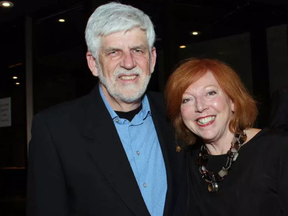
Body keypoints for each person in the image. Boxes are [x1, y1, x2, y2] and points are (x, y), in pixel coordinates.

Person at [26, 2, 187, 216]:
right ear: (93, 63)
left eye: (137, 50)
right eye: (114, 52)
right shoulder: (54, 130)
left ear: (152, 58)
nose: (128, 63)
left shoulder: (178, 111)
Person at [165, 58, 288, 216]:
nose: (200, 107)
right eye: (187, 100)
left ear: (233, 102)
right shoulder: (188, 163)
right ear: (180, 115)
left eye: (210, 93)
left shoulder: (278, 149)